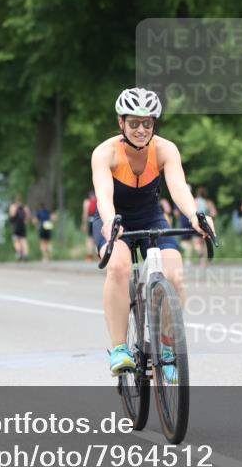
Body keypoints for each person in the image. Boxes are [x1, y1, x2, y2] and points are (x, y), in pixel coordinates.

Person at [91, 87, 213, 378]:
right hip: (114, 219)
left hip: (151, 217)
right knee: (119, 268)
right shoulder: (105, 153)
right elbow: (104, 196)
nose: (141, 129)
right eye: (134, 123)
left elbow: (179, 187)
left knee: (174, 274)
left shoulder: (165, 149)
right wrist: (110, 222)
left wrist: (196, 215)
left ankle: (168, 347)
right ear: (122, 123)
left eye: (147, 123)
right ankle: (120, 348)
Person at [192, 187, 217, 267]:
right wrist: (211, 218)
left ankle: (200, 254)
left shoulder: (194, 201)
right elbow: (214, 213)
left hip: (196, 224)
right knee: (204, 243)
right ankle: (203, 263)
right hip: (206, 224)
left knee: (197, 243)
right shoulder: (208, 202)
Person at [9, 196, 30, 261]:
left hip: (16, 226)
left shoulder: (13, 206)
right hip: (23, 225)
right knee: (23, 240)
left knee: (17, 241)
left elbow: (12, 215)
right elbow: (28, 216)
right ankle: (25, 254)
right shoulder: (25, 207)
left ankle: (19, 254)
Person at [82, 190, 98, 262]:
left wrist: (84, 224)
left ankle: (89, 256)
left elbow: (85, 214)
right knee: (97, 239)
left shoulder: (87, 202)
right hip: (98, 221)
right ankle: (99, 256)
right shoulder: (99, 201)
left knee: (89, 239)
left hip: (90, 221)